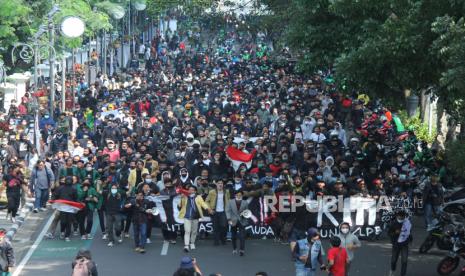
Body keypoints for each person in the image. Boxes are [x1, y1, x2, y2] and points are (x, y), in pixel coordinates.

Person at [178, 185, 212, 252]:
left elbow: (203, 203)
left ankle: (192, 243)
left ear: (195, 191)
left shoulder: (198, 197)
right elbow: (180, 205)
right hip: (187, 216)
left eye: (192, 190)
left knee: (194, 231)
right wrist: (181, 198)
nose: (191, 191)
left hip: (195, 216)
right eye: (190, 190)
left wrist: (208, 208)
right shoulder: (185, 196)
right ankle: (186, 245)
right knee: (187, 231)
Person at [206, 179, 230, 246]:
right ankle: (216, 241)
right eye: (218, 183)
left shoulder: (226, 192)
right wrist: (209, 209)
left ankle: (223, 239)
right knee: (215, 227)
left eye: (221, 183)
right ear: (216, 184)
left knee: (224, 226)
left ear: (223, 184)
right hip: (214, 211)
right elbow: (206, 201)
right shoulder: (212, 192)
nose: (220, 184)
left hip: (223, 211)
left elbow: (229, 201)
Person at [225, 189, 249, 256]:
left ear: (242, 195)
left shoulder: (245, 202)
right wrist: (229, 219)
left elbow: (247, 211)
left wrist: (245, 217)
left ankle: (242, 250)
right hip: (233, 220)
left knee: (242, 236)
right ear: (235, 195)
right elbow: (227, 211)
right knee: (233, 236)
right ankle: (234, 248)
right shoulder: (230, 202)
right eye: (237, 195)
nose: (239, 196)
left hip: (242, 221)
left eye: (240, 195)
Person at [388, 210, 412, 276]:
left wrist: (410, 241)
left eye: (402, 218)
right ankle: (392, 270)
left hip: (404, 244)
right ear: (397, 216)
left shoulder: (407, 223)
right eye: (399, 218)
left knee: (404, 261)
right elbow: (389, 233)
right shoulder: (393, 223)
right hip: (396, 244)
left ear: (404, 217)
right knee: (393, 260)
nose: (401, 219)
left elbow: (409, 233)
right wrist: (395, 233)